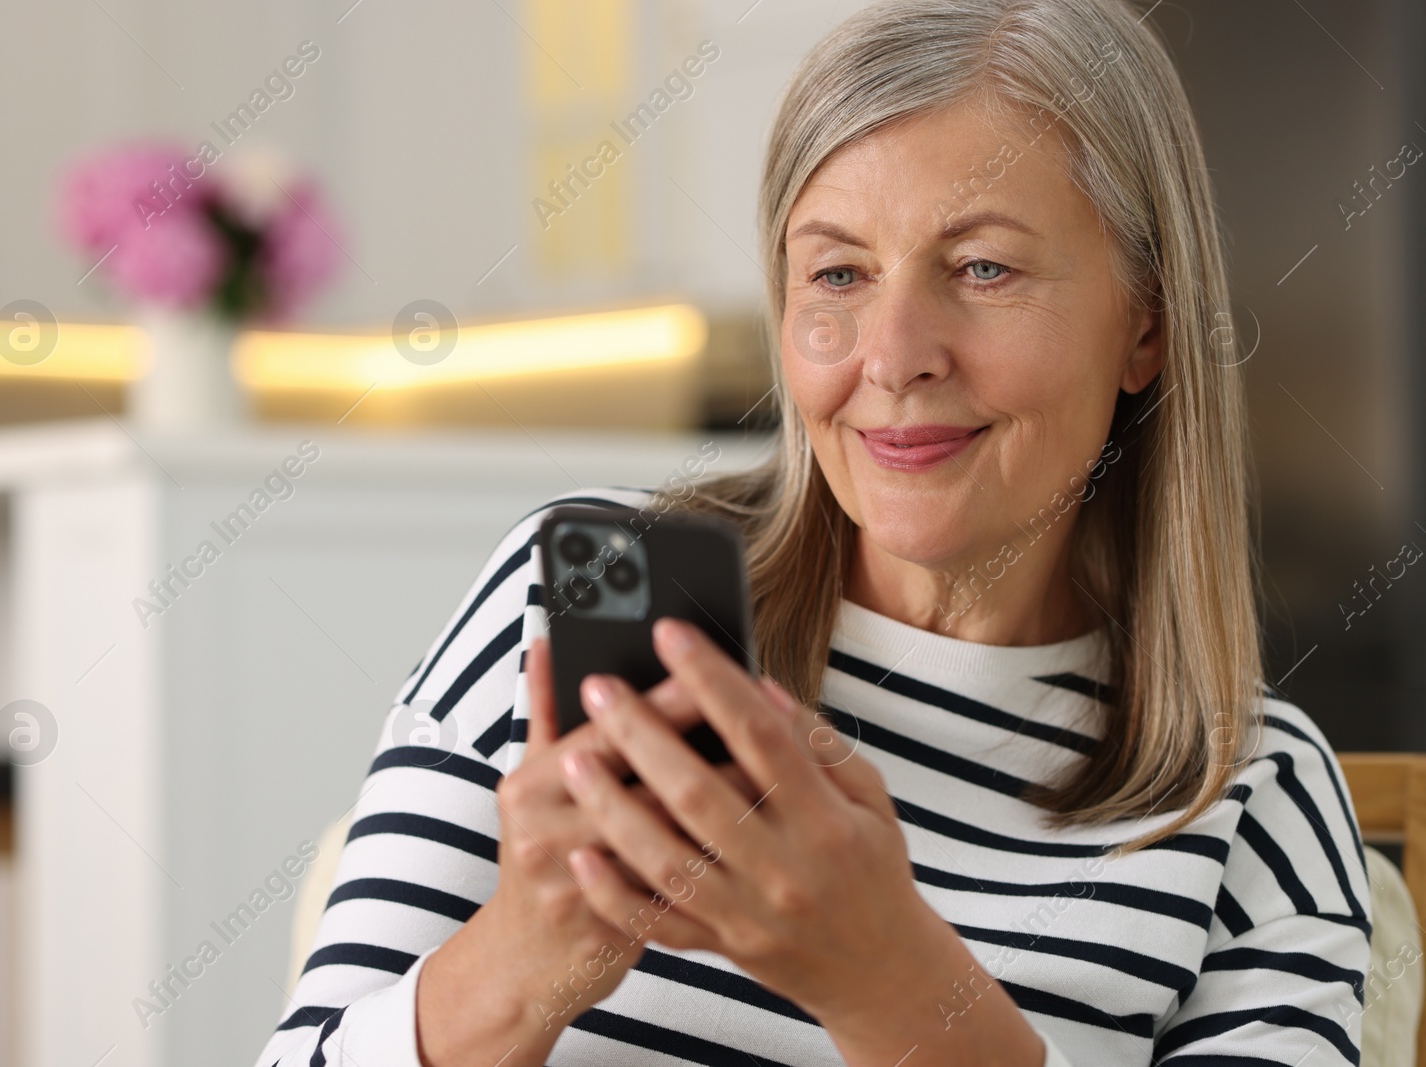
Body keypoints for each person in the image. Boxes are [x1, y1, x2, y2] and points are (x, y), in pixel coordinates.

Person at [255, 0, 1370, 1063]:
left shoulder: (1257, 803)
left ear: (1147, 329)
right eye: (837, 273)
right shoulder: (579, 601)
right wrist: (529, 950)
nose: (891, 357)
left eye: (982, 268)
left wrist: (889, 982)